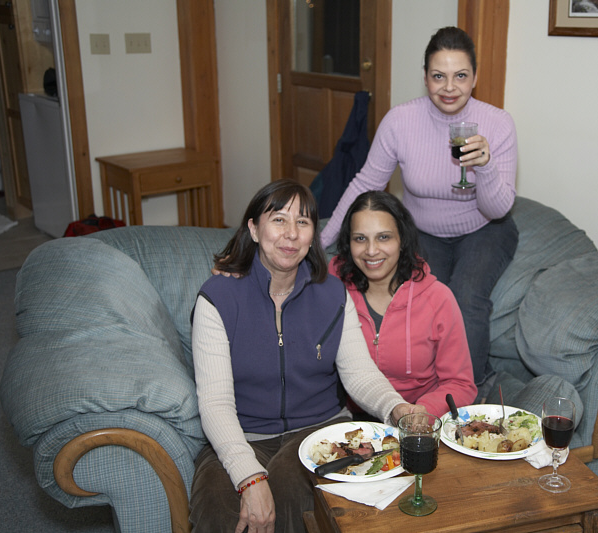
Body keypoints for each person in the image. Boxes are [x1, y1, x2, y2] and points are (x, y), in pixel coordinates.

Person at [189, 179, 423, 533]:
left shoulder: (331, 295)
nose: (291, 233)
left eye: (303, 222)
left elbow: (359, 373)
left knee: (286, 497)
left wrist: (396, 406)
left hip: (321, 429)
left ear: (314, 234)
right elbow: (216, 402)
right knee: (221, 513)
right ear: (253, 228)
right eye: (279, 219)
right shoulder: (217, 299)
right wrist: (249, 477)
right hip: (242, 434)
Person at [320, 26, 519, 402]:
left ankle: (468, 401)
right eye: (438, 76)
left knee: (465, 297)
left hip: (485, 227)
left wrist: (485, 166)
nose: (449, 87)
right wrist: (323, 239)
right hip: (423, 230)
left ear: (475, 78)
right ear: (425, 77)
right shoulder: (401, 121)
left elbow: (498, 207)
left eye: (460, 76)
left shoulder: (498, 123)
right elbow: (367, 183)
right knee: (418, 297)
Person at [329, 191, 477, 417]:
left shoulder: (438, 299)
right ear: (348, 244)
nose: (371, 250)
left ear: (402, 240)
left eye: (383, 237)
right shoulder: (331, 291)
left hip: (422, 421)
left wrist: (422, 411)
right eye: (360, 238)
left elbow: (460, 384)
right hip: (352, 420)